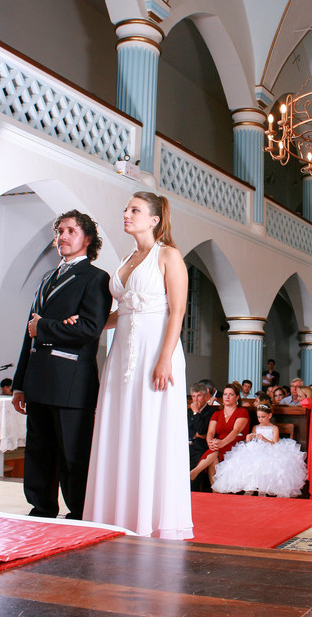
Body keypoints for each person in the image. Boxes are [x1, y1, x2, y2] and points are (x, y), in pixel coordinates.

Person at [82, 192, 193, 539]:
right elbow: (124, 311)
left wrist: (164, 359)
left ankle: (149, 518)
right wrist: (90, 324)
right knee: (119, 424)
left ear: (155, 219)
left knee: (150, 426)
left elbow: (177, 310)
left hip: (156, 352)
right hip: (121, 354)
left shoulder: (168, 255)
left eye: (134, 210)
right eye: (126, 209)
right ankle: (117, 513)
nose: (126, 214)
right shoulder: (128, 257)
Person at [12, 210, 112, 519]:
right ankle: (41, 507)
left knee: (73, 454)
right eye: (60, 231)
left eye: (71, 231)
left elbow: (88, 330)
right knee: (39, 451)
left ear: (88, 239)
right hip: (39, 377)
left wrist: (45, 326)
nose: (63, 236)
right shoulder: (46, 277)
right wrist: (19, 382)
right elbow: (29, 332)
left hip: (71, 381)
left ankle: (80, 513)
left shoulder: (96, 278)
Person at [212, 403, 307, 497]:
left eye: (263, 417)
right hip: (255, 448)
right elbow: (252, 440)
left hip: (270, 449)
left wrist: (263, 439)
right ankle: (249, 487)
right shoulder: (255, 427)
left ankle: (263, 490)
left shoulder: (274, 428)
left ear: (269, 415)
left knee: (264, 463)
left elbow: (275, 444)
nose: (260, 420)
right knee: (249, 462)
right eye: (259, 417)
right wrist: (249, 438)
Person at [190, 383, 250, 485]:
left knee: (214, 451)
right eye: (225, 394)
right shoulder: (217, 413)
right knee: (214, 454)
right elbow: (211, 432)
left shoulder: (242, 412)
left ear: (237, 397)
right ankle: (215, 491)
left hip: (235, 442)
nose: (227, 397)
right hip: (218, 444)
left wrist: (222, 443)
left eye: (231, 394)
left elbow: (236, 431)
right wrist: (210, 442)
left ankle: (194, 472)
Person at [188, 382, 218, 490]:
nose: (196, 400)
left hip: (201, 447)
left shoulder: (212, 411)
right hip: (188, 445)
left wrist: (196, 412)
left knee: (194, 466)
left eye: (199, 396)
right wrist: (195, 434)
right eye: (193, 396)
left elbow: (201, 430)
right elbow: (186, 431)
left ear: (206, 397)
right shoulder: (188, 411)